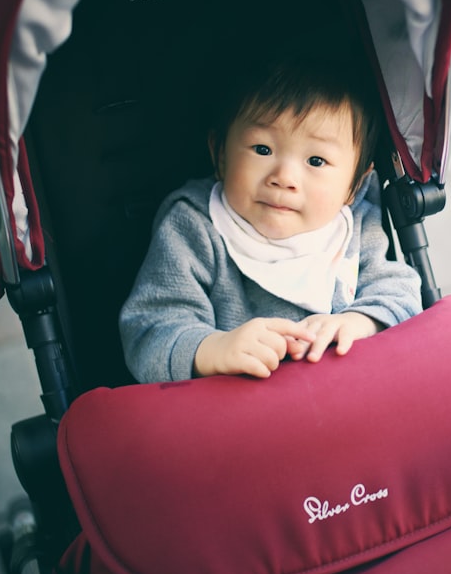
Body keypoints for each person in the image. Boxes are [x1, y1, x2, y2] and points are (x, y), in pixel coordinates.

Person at [119, 54, 422, 383]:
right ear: (220, 154)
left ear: (354, 185)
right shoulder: (195, 227)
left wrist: (359, 321)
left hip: (340, 398)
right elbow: (149, 328)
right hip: (236, 413)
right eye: (262, 149)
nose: (284, 177)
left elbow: (399, 292)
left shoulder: (354, 226)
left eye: (316, 160)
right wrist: (211, 349)